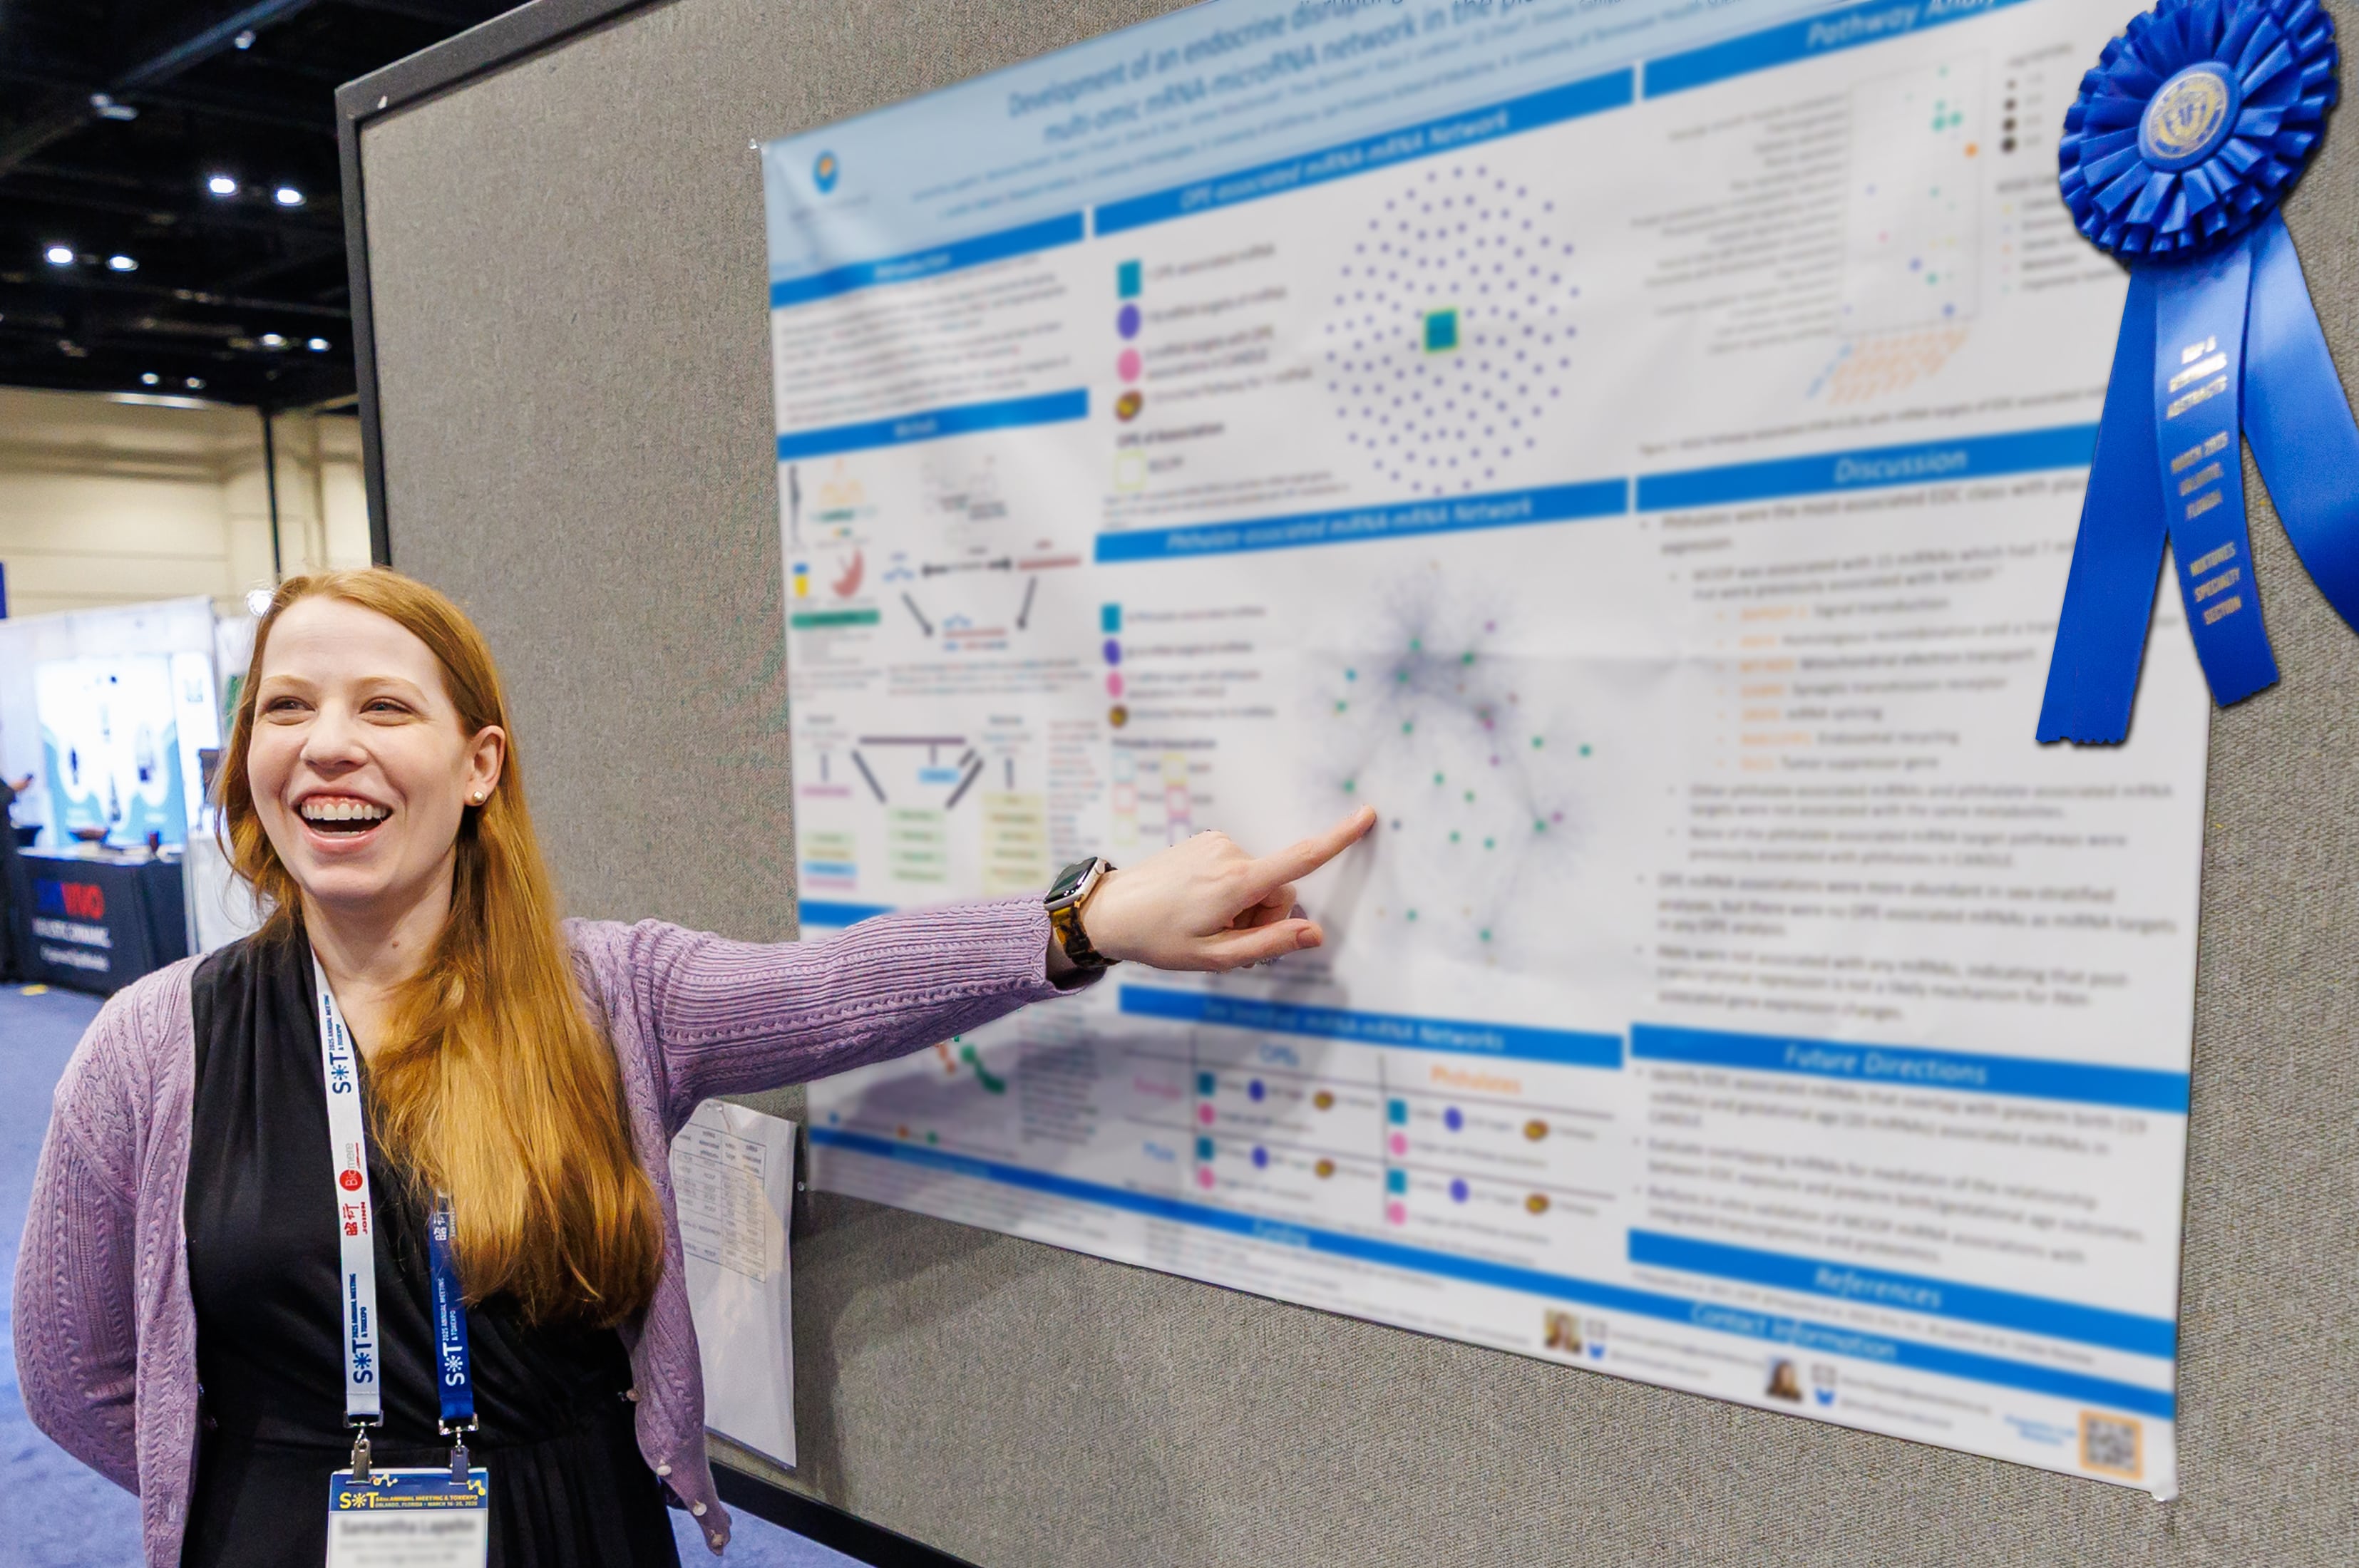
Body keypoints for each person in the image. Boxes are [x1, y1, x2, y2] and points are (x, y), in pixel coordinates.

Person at [14, 568, 1374, 1568]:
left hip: (572, 1527)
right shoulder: (154, 1042)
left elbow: (835, 988)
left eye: (385, 706)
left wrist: (1079, 927)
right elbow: (73, 1375)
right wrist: (255, 1487)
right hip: (283, 1536)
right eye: (287, 707)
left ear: (479, 763)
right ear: (249, 754)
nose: (328, 744)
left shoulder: (610, 993)